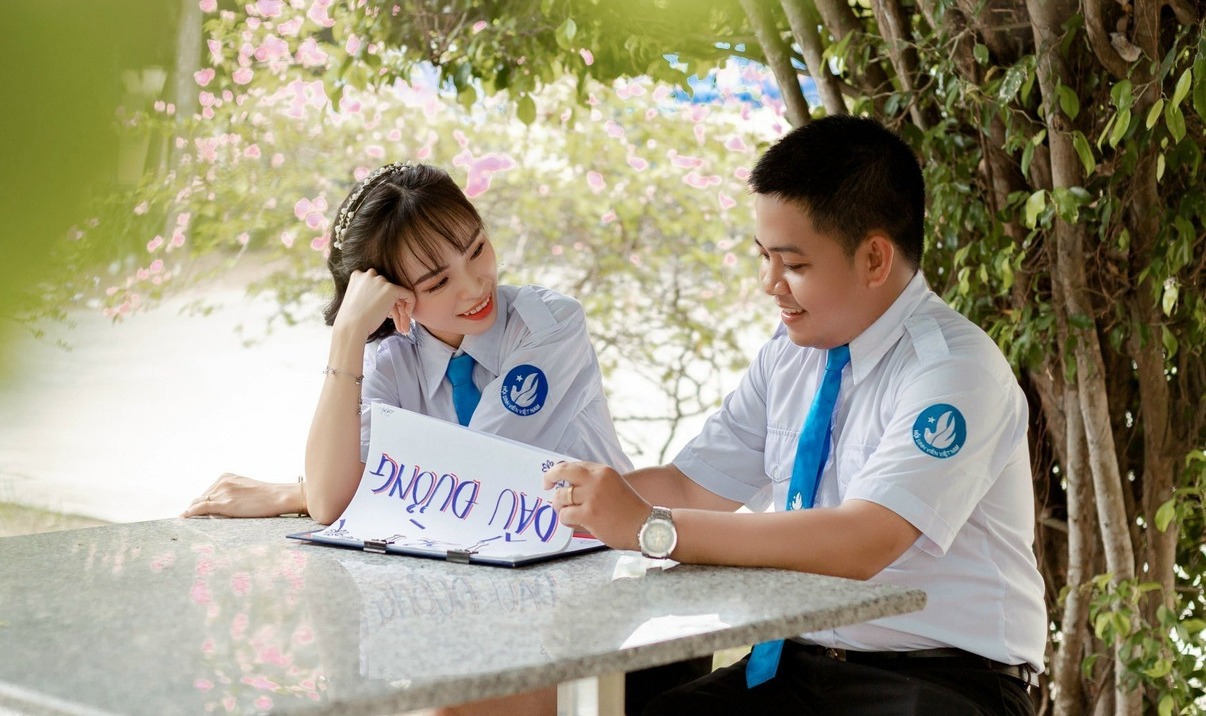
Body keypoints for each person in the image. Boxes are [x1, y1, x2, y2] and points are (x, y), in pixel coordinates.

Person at [545, 116, 1046, 716]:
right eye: (763, 257)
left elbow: (865, 540)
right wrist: (561, 503)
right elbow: (691, 487)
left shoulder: (954, 372)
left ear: (875, 258)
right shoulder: (788, 355)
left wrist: (653, 529)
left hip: (937, 679)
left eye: (794, 265)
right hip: (799, 666)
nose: (769, 284)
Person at [182, 161, 641, 714]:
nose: (474, 285)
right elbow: (334, 503)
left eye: (477, 249)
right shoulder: (392, 359)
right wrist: (348, 334)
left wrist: (291, 492)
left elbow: (474, 477)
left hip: (603, 584)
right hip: (483, 592)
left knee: (450, 704)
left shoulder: (548, 326)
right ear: (395, 295)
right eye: (437, 282)